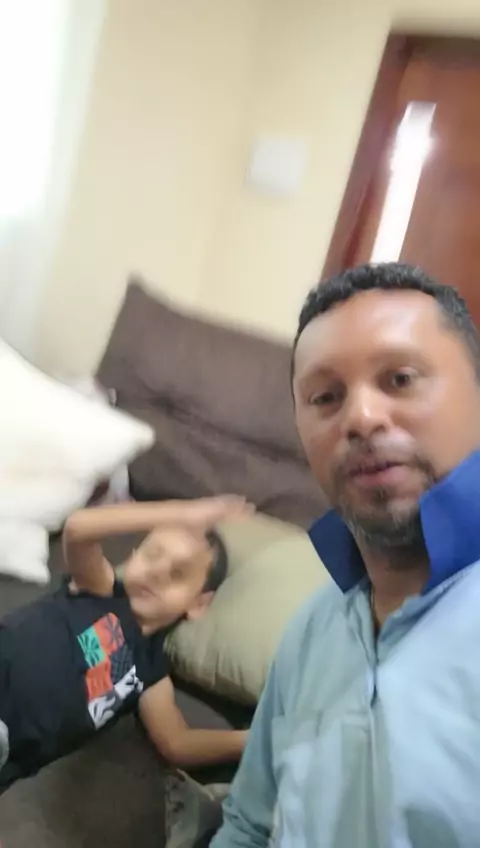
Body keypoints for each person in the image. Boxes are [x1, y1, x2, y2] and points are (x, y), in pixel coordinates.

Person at [212, 263, 480, 848]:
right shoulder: (311, 631)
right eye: (325, 397)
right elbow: (247, 825)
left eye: (400, 379)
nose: (360, 417)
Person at [0, 495, 250, 791]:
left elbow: (177, 743)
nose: (157, 572)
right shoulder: (99, 590)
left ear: (198, 604)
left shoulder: (149, 671)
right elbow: (78, 528)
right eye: (152, 555)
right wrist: (182, 513)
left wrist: (249, 740)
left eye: (178, 573)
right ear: (132, 558)